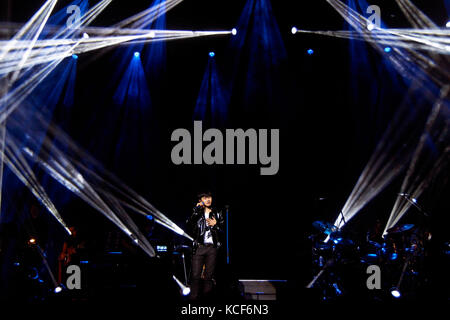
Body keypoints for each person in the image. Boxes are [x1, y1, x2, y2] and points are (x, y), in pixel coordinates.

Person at [186, 191, 224, 300]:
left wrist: (216, 225)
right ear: (200, 200)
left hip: (212, 248)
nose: (208, 199)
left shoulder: (217, 212)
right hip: (199, 247)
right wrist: (195, 210)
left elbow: (223, 231)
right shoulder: (197, 213)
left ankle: (207, 300)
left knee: (209, 277)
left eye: (209, 197)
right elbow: (189, 225)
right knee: (196, 276)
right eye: (205, 197)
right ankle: (193, 301)